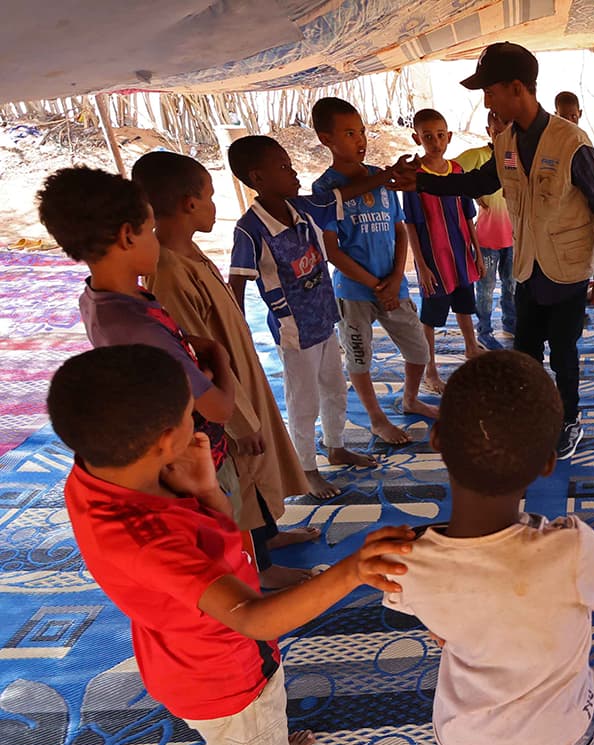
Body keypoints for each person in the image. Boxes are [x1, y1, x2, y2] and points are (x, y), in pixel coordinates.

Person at [49, 343, 416, 745]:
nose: (198, 425)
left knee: (256, 742)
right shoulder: (145, 539)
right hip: (224, 676)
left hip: (195, 652)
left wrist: (205, 492)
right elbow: (252, 617)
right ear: (165, 441)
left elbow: (214, 549)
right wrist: (351, 571)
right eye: (190, 416)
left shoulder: (100, 475)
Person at [383, 350, 594, 745]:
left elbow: (427, 617)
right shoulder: (572, 549)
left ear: (436, 439)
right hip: (561, 738)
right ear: (548, 464)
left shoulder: (409, 561)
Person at [390, 42, 594, 461]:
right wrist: (421, 182)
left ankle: (569, 419)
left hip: (567, 271)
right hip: (528, 266)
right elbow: (477, 183)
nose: (486, 101)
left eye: (490, 91)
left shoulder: (571, 142)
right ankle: (530, 415)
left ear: (517, 88)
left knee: (564, 353)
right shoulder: (507, 141)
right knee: (525, 350)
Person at [132, 150, 316, 589]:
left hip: (242, 381)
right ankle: (261, 566)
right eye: (211, 196)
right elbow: (195, 360)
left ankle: (269, 536)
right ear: (189, 203)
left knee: (259, 470)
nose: (215, 206)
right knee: (243, 477)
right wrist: (237, 421)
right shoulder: (169, 271)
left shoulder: (188, 253)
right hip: (225, 403)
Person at [37, 167, 240, 512]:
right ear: (127, 236)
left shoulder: (101, 300)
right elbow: (219, 408)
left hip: (176, 452)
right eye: (150, 230)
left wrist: (190, 359)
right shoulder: (137, 327)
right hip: (192, 467)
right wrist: (219, 356)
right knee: (223, 528)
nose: (156, 240)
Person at [225, 135, 382, 500]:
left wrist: (387, 177)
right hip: (294, 332)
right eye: (283, 167)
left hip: (325, 319)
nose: (294, 173)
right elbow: (237, 282)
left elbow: (346, 194)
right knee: (303, 402)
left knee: (334, 388)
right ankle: (307, 469)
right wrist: (238, 332)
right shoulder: (250, 229)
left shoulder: (303, 208)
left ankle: (336, 446)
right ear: (257, 178)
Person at [310, 96, 439, 446]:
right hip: (353, 292)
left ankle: (410, 399)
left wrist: (395, 279)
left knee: (419, 350)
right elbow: (332, 250)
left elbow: (400, 230)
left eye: (362, 131)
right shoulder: (324, 189)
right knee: (359, 357)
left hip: (393, 285)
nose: (360, 140)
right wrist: (375, 285)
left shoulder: (381, 180)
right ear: (326, 139)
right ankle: (376, 418)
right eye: (349, 133)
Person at [401, 107, 484, 394]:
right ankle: (430, 369)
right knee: (431, 316)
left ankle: (471, 347)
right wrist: (421, 266)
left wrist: (477, 251)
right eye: (428, 137)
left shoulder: (457, 171)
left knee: (464, 303)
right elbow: (411, 224)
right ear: (417, 138)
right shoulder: (414, 177)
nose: (435, 142)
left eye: (440, 135)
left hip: (460, 254)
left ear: (449, 136)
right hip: (434, 258)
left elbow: (468, 215)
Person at [454, 110, 517, 350]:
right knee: (485, 290)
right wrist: (471, 193)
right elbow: (448, 172)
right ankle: (484, 330)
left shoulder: (514, 156)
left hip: (513, 238)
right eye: (496, 132)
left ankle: (511, 323)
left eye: (507, 131)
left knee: (512, 285)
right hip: (487, 240)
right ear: (488, 131)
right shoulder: (479, 156)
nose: (502, 136)